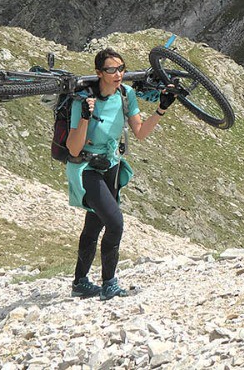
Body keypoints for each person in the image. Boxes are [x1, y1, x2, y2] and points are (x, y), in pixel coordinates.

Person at [66, 47, 178, 299]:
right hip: (86, 168)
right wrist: (85, 116)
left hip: (112, 165)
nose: (118, 74)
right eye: (111, 69)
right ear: (99, 73)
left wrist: (161, 109)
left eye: (121, 68)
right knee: (115, 223)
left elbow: (140, 132)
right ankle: (109, 284)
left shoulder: (126, 95)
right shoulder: (83, 101)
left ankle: (80, 282)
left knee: (94, 224)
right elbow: (73, 147)